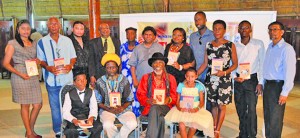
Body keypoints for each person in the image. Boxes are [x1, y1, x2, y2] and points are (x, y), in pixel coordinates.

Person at [37, 17, 77, 137]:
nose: (54, 26)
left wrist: (70, 65)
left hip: (67, 79)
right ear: (48, 26)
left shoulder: (67, 41)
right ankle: (58, 130)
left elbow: (73, 57)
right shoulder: (42, 42)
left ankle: (70, 127)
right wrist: (48, 67)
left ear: (59, 26)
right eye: (51, 24)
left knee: (69, 105)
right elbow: (40, 60)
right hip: (51, 79)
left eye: (56, 24)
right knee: (55, 106)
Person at [2, 19, 42, 138]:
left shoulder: (34, 42)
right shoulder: (12, 43)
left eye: (28, 28)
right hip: (20, 76)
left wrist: (38, 61)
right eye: (23, 28)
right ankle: (30, 132)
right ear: (18, 30)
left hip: (33, 74)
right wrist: (20, 74)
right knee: (25, 105)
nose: (26, 31)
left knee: (37, 104)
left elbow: (37, 59)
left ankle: (29, 130)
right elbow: (6, 63)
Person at [263, 21, 296, 138]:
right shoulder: (270, 47)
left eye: (275, 29)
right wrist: (263, 83)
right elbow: (267, 68)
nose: (272, 32)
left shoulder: (287, 49)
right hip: (268, 86)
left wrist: (285, 92)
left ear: (282, 32)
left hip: (277, 87)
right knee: (268, 116)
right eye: (270, 29)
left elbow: (290, 72)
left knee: (275, 119)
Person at [205, 20, 238, 138]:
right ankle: (213, 127)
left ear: (224, 30)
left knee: (221, 105)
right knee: (213, 104)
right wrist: (193, 75)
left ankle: (217, 130)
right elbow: (205, 63)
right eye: (215, 28)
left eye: (219, 28)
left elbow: (235, 64)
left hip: (224, 79)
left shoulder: (230, 45)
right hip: (211, 79)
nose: (217, 31)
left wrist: (224, 72)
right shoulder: (208, 45)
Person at [233, 20, 265, 138]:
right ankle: (243, 134)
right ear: (238, 30)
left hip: (252, 80)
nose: (244, 30)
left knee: (251, 109)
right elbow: (232, 63)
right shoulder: (235, 45)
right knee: (240, 108)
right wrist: (234, 78)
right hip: (238, 80)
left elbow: (262, 63)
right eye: (241, 28)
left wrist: (261, 82)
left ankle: (252, 135)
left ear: (250, 29)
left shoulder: (258, 44)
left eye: (246, 28)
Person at [95, 53, 137, 138]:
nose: (111, 70)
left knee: (133, 123)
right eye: (108, 67)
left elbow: (129, 98)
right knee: (107, 125)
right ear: (105, 69)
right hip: (106, 109)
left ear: (117, 68)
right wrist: (108, 108)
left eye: (113, 67)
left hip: (124, 109)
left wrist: (122, 108)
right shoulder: (100, 81)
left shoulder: (124, 80)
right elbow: (98, 101)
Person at [164, 67, 214, 138]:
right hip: (182, 108)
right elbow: (177, 101)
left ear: (196, 76)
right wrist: (179, 108)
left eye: (192, 77)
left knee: (194, 126)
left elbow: (202, 102)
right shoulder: (181, 85)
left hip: (195, 109)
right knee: (181, 125)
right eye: (188, 76)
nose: (190, 79)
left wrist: (196, 109)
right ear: (185, 76)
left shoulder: (199, 86)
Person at [137, 52, 177, 138]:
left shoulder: (170, 78)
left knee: (156, 108)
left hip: (165, 107)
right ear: (152, 65)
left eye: (160, 62)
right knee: (158, 115)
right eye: (155, 62)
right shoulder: (146, 78)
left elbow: (175, 96)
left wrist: (168, 99)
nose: (157, 65)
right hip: (149, 107)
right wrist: (148, 100)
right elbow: (140, 94)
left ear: (164, 65)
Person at [62, 73, 102, 138]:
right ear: (74, 83)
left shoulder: (91, 92)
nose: (82, 82)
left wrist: (91, 118)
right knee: (71, 131)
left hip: (87, 116)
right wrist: (73, 120)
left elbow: (94, 108)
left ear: (86, 81)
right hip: (74, 117)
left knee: (98, 127)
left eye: (84, 80)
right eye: (79, 80)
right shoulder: (69, 94)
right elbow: (65, 111)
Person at [89, 23, 121, 88]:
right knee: (100, 94)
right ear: (99, 31)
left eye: (106, 28)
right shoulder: (93, 43)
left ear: (110, 30)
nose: (105, 30)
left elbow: (119, 57)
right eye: (102, 29)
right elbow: (91, 60)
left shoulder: (116, 41)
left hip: (113, 73)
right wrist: (92, 76)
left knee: (113, 93)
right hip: (99, 74)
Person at [190, 11, 215, 83]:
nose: (197, 22)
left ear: (205, 20)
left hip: (210, 75)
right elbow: (192, 56)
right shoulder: (192, 36)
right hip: (196, 75)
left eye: (199, 19)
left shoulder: (213, 35)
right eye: (196, 20)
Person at [120, 27, 140, 116]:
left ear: (135, 35)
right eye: (128, 33)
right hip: (125, 77)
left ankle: (136, 115)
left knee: (136, 96)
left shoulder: (140, 47)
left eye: (132, 33)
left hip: (136, 76)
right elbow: (119, 62)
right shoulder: (122, 47)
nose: (130, 35)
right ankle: (127, 115)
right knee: (126, 95)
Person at [69, 21, 90, 87]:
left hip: (86, 71)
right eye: (77, 28)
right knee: (75, 93)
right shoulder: (68, 40)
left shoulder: (87, 41)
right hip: (74, 72)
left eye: (81, 29)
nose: (79, 31)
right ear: (72, 29)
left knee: (85, 92)